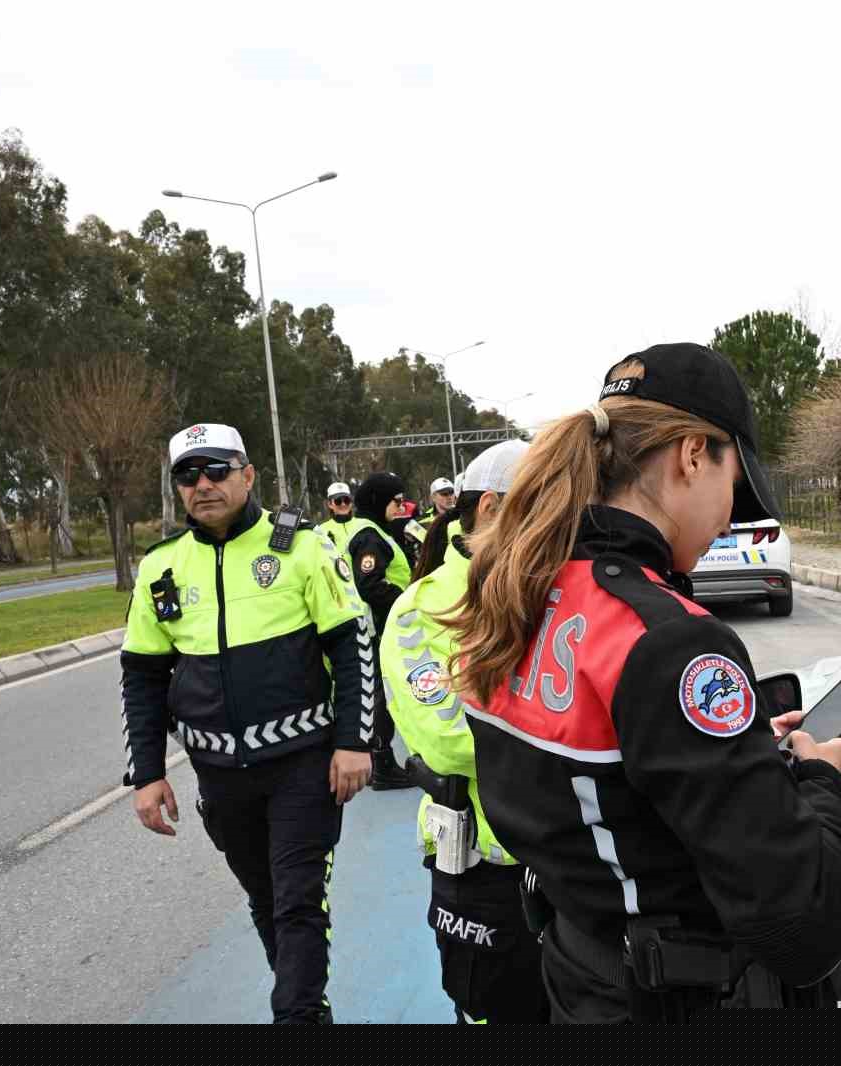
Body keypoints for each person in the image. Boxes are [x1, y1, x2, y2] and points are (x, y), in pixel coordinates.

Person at [452, 342, 841, 1022]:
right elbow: (803, 927)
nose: (730, 517)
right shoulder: (667, 638)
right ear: (693, 455)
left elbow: (605, 785)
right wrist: (820, 778)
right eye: (736, 486)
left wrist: (735, 752)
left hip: (581, 975)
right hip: (673, 1001)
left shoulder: (520, 593)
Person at [119, 423, 377, 1024]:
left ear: (248, 475)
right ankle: (306, 1005)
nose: (203, 484)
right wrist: (147, 773)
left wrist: (355, 741)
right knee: (265, 900)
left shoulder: (303, 546)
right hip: (220, 775)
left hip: (302, 765)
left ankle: (297, 1016)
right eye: (188, 475)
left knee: (298, 902)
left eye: (217, 469)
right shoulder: (161, 565)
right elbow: (142, 677)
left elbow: (353, 646)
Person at [379, 439, 548, 1024]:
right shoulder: (420, 611)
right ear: (492, 508)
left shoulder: (562, 591)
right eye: (547, 509)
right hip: (486, 870)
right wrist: (571, 739)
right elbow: (449, 739)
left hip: (576, 863)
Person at [346, 470, 420, 790]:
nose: (401, 507)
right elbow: (370, 585)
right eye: (397, 501)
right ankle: (381, 762)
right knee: (381, 693)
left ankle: (379, 759)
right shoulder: (369, 536)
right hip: (376, 628)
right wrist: (408, 601)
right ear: (379, 501)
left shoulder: (371, 530)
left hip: (373, 626)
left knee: (378, 691)